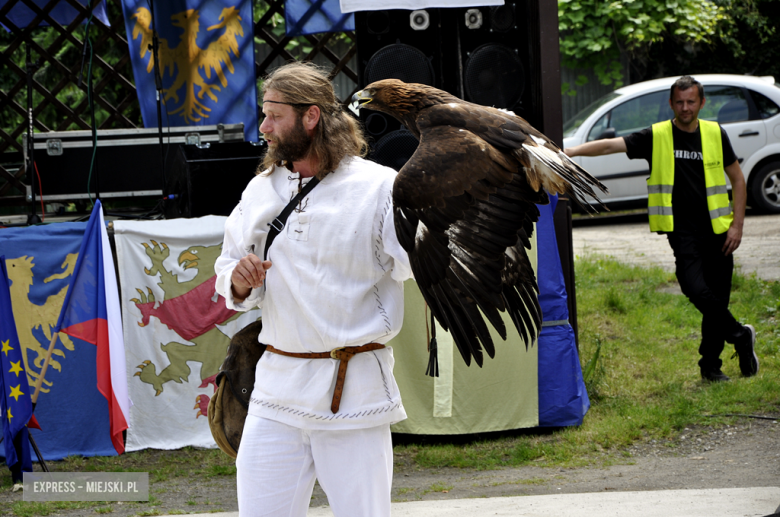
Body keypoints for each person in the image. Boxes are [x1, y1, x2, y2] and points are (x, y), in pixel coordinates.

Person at [214, 62, 412, 517]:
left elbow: (417, 263)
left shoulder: (378, 187)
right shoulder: (261, 189)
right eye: (263, 114)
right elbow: (227, 267)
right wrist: (239, 283)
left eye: (274, 115)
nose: (263, 127)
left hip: (353, 389)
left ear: (311, 116)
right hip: (276, 388)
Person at [565, 75, 759, 383]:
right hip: (682, 230)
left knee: (716, 300)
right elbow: (610, 146)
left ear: (701, 103)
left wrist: (737, 226)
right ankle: (739, 334)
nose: (685, 108)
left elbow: (737, 179)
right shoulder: (656, 136)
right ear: (671, 103)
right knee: (694, 287)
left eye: (691, 101)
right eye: (679, 102)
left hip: (720, 232)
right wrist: (571, 153)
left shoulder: (715, 133)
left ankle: (711, 366)